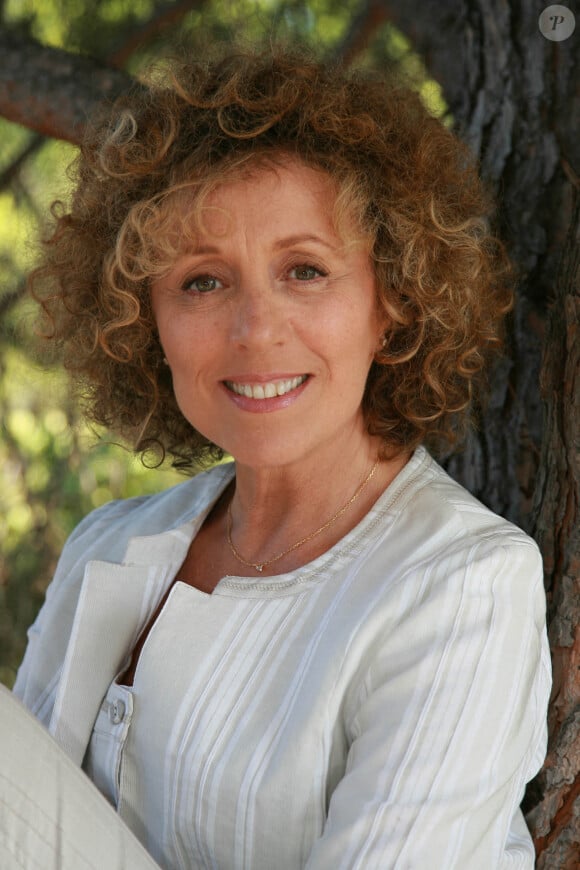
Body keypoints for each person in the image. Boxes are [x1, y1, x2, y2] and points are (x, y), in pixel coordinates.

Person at [9, 47, 550, 869]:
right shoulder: (110, 544)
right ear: (141, 318)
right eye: (201, 282)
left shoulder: (463, 586)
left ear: (392, 300)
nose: (255, 329)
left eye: (305, 270)